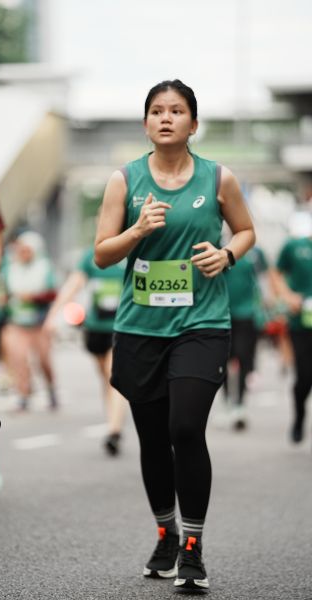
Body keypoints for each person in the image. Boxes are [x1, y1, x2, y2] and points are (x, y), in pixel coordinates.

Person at [94, 79, 255, 591]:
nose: (166, 118)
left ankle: (192, 546)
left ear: (193, 123)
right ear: (146, 124)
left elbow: (246, 231)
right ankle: (166, 532)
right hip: (140, 327)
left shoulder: (218, 178)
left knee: (185, 428)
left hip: (201, 324)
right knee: (152, 437)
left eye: (177, 111)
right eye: (157, 111)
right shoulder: (124, 180)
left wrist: (226, 254)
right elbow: (102, 253)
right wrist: (138, 230)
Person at [42, 245, 127, 455]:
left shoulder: (130, 250)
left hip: (121, 326)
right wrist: (53, 314)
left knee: (113, 376)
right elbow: (74, 284)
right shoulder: (92, 256)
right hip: (95, 327)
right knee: (105, 378)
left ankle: (114, 430)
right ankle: (112, 420)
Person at [0, 231, 58, 410]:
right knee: (19, 358)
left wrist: (33, 297)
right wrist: (2, 300)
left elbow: (52, 293)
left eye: (27, 250)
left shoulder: (44, 267)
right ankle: (23, 393)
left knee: (43, 360)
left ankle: (51, 388)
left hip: (39, 322)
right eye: (21, 250)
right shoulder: (9, 268)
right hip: (16, 321)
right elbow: (1, 291)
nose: (24, 254)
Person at [272, 227, 312, 443]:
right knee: (304, 377)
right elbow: (276, 273)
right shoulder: (294, 246)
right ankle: (299, 416)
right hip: (301, 324)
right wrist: (288, 296)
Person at [223, 245, 269, 429]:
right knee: (224, 360)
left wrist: (265, 303)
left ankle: (240, 404)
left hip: (247, 313)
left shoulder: (256, 253)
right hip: (222, 312)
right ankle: (228, 401)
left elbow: (262, 278)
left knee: (243, 357)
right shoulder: (219, 246)